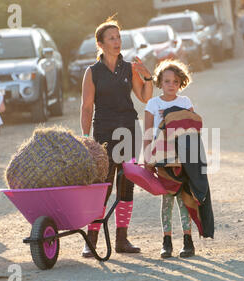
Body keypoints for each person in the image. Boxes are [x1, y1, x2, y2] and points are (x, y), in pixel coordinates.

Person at [80, 17, 153, 257]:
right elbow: (86, 107)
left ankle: (122, 240)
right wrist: (86, 138)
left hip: (128, 130)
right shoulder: (92, 72)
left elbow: (144, 97)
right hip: (103, 132)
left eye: (118, 37)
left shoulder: (129, 67)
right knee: (103, 186)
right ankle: (91, 241)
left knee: (126, 183)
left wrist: (147, 77)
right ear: (100, 44)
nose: (117, 41)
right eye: (111, 38)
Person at [143, 59, 196, 258]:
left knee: (185, 198)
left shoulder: (185, 102)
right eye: (167, 81)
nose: (171, 85)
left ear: (181, 82)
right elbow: (148, 133)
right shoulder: (153, 104)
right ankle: (166, 241)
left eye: (175, 81)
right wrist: (148, 158)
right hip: (162, 158)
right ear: (160, 82)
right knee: (167, 199)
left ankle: (188, 240)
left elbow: (193, 129)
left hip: (182, 158)